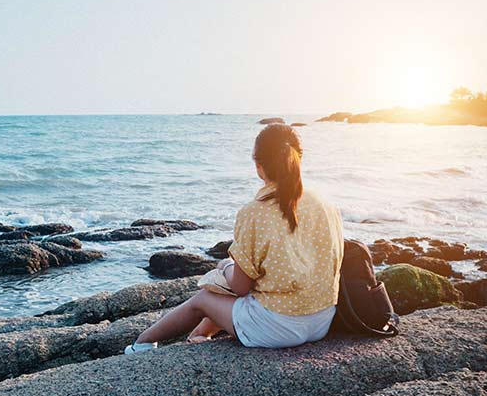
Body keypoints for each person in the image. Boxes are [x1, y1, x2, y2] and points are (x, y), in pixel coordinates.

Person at [125, 123, 343, 353]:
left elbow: (240, 287)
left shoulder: (255, 212)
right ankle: (199, 335)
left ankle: (141, 344)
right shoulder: (325, 204)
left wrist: (226, 265)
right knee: (247, 290)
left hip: (278, 329)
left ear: (259, 167)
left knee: (204, 299)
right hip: (321, 320)